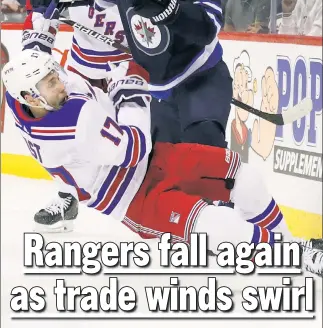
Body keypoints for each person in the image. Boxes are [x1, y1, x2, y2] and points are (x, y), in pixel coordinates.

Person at [2, 50, 323, 276]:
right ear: (32, 97)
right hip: (132, 197)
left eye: (54, 75)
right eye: (49, 84)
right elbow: (133, 148)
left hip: (157, 159)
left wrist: (120, 69)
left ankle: (297, 250)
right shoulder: (68, 124)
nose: (59, 83)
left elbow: (75, 78)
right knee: (209, 219)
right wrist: (133, 91)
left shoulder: (21, 99)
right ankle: (295, 254)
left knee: (239, 172)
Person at [28, 0, 233, 149]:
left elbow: (207, 29)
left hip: (200, 78)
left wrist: (169, 7)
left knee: (204, 152)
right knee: (161, 170)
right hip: (156, 91)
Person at [22, 0, 134, 226]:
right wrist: (39, 32)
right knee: (62, 139)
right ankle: (67, 198)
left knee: (135, 141)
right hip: (82, 64)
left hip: (124, 65)